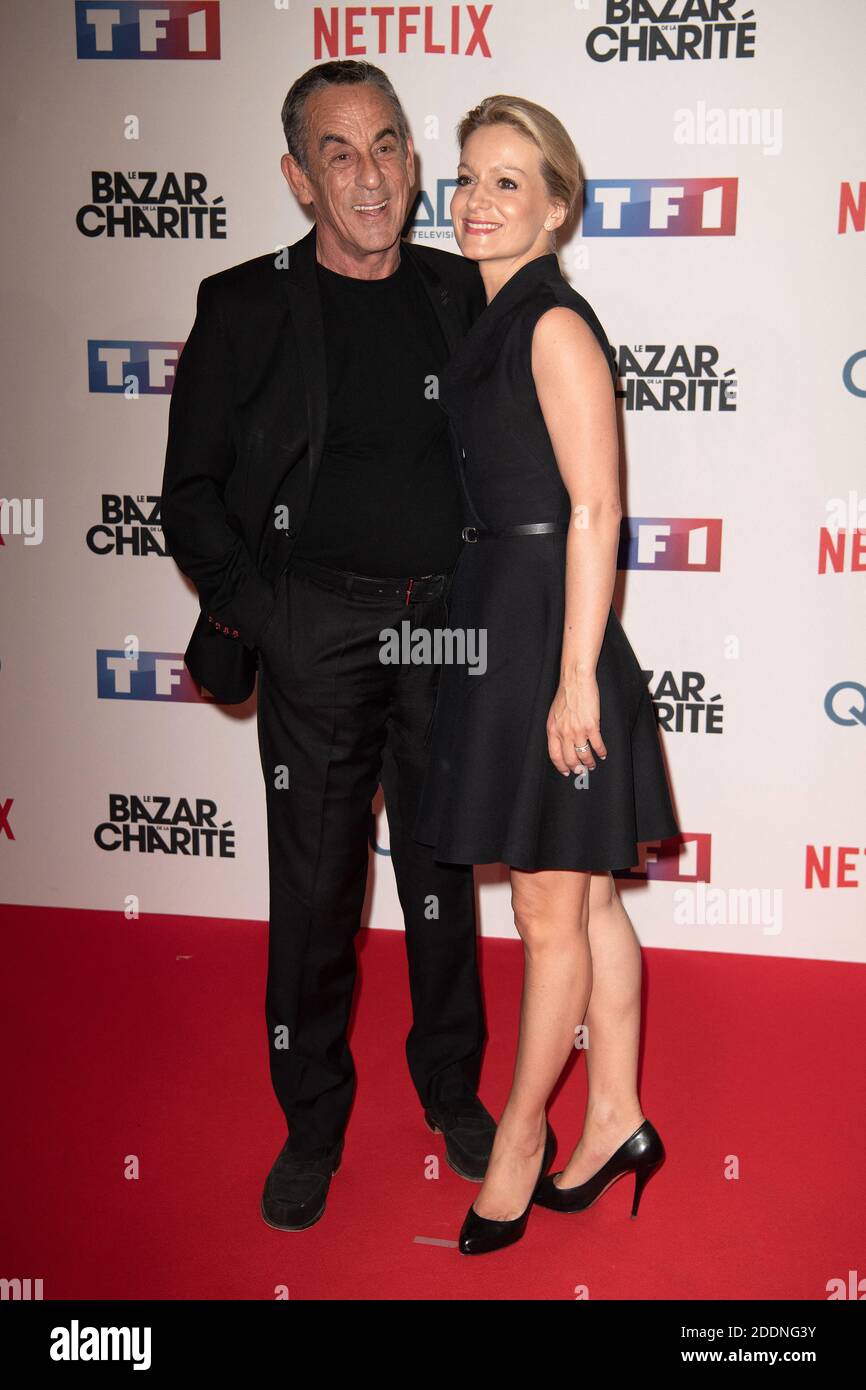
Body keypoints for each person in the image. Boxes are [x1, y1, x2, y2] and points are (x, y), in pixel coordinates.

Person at [161, 60, 497, 1233]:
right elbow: (188, 495)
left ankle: (452, 1087)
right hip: (317, 629)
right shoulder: (244, 302)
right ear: (297, 175)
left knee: (442, 873)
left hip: (443, 624)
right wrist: (269, 616)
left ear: (414, 157)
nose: (370, 176)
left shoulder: (468, 293)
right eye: (339, 153)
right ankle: (311, 1120)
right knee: (314, 891)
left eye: (388, 145)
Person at [412, 95, 680, 1255]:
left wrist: (574, 677)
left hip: (544, 638)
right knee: (587, 893)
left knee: (542, 905)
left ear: (558, 206)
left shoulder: (552, 324)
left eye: (507, 182)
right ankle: (615, 1110)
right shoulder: (486, 317)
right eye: (466, 178)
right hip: (502, 618)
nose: (474, 201)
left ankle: (520, 1134)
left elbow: (595, 509)